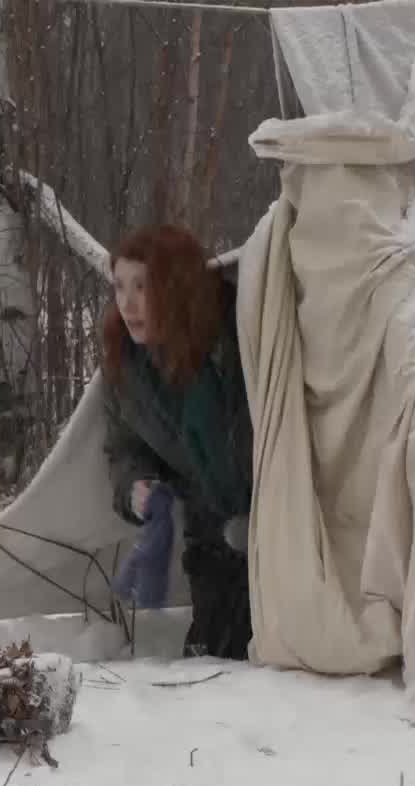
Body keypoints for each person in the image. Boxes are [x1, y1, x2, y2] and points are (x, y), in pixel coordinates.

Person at [102, 224, 255, 660]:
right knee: (207, 662)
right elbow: (124, 448)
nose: (127, 303)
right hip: (208, 541)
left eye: (142, 286)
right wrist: (139, 491)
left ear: (176, 288)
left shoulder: (238, 337)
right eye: (119, 286)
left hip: (277, 535)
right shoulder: (125, 362)